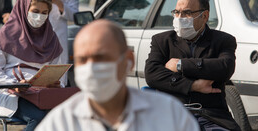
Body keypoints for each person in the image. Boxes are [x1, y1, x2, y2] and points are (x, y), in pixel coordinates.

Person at [35, 19, 200, 131]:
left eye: (101, 58)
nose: (91, 68)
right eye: (83, 60)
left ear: (129, 61)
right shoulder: (61, 122)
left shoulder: (169, 115)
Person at [145, 0, 241, 131]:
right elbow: (152, 74)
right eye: (177, 12)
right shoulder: (162, 41)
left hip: (211, 116)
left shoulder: (223, 40)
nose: (180, 18)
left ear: (205, 16)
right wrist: (192, 85)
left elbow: (224, 67)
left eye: (187, 13)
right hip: (171, 115)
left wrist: (180, 65)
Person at [0, 0, 64, 131]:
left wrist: (55, 84)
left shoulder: (51, 38)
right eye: (35, 11)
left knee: (65, 118)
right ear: (24, 8)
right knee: (39, 119)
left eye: (44, 13)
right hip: (12, 94)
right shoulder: (7, 34)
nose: (39, 17)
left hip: (43, 95)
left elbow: (58, 72)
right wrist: (14, 85)